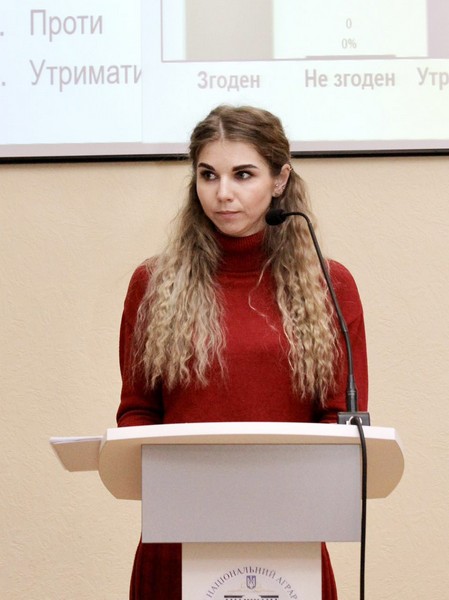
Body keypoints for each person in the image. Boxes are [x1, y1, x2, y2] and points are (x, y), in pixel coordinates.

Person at [116, 105, 368, 599]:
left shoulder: (330, 285)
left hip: (289, 533)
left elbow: (339, 418)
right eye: (208, 175)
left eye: (243, 174)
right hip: (179, 534)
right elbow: (137, 412)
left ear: (280, 180)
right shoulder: (152, 283)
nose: (222, 193)